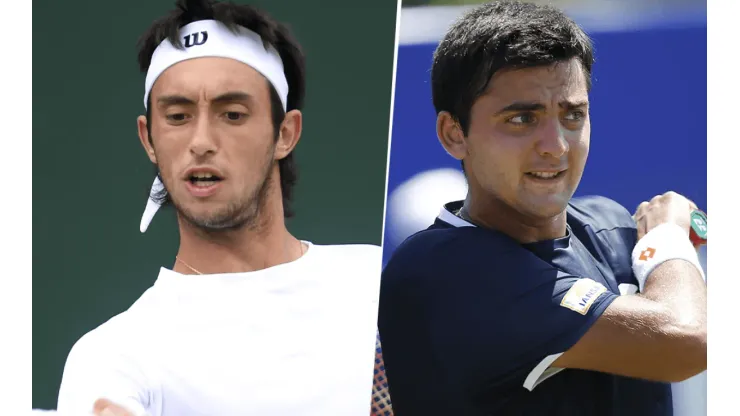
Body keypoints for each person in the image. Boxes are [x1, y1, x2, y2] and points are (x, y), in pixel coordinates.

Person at [377, 2, 707, 415]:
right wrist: (668, 241)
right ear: (453, 133)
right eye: (521, 119)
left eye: (573, 115)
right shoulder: (439, 273)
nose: (556, 146)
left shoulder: (607, 222)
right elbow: (685, 341)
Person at [56, 1, 381, 415]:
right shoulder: (112, 358)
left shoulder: (378, 280)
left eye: (232, 114)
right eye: (177, 116)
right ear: (148, 139)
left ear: (285, 133)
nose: (202, 140)